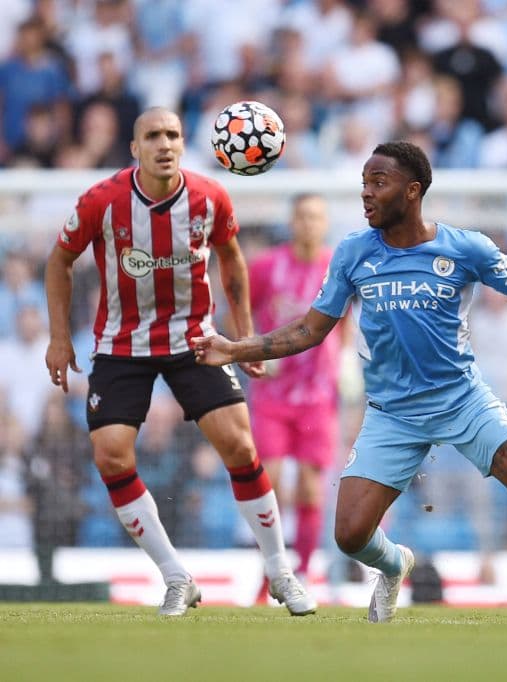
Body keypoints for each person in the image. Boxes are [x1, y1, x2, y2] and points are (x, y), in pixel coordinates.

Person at [192, 141, 507, 625]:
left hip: (461, 399)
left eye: (378, 183)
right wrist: (235, 348)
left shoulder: (466, 247)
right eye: (364, 183)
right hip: (391, 412)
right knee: (351, 535)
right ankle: (396, 563)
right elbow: (309, 330)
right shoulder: (354, 253)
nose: (366, 194)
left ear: (413, 190)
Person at [43, 107, 316, 617]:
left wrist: (246, 334)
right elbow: (59, 260)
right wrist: (60, 338)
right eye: (153, 136)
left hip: (195, 340)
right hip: (123, 345)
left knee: (238, 443)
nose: (164, 144)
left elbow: (232, 258)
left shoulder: (210, 196)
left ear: (183, 143)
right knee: (111, 456)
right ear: (135, 148)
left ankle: (281, 572)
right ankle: (176, 577)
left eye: (172, 135)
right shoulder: (103, 201)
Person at [247, 193, 343, 592]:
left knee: (308, 485)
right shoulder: (267, 267)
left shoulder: (337, 269)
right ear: (291, 222)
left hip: (318, 396)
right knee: (268, 483)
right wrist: (251, 348)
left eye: (316, 217)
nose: (308, 223)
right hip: (272, 394)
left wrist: (346, 368)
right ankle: (270, 570)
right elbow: (243, 309)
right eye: (302, 216)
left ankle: (302, 570)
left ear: (325, 224)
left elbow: (348, 322)